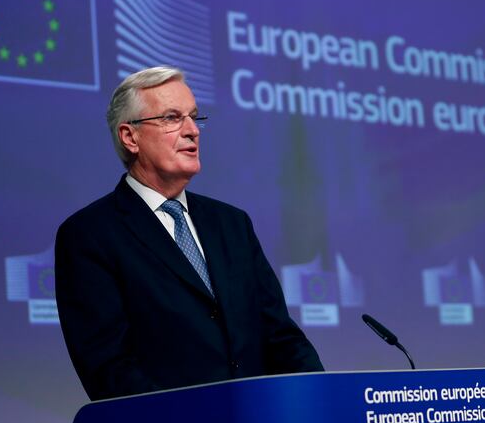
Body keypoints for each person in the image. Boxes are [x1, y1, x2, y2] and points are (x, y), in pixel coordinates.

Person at [55, 66, 323, 401]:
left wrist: (320, 399)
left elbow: (281, 336)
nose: (192, 131)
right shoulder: (90, 235)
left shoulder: (232, 224)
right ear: (130, 136)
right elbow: (109, 367)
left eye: (194, 117)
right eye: (171, 117)